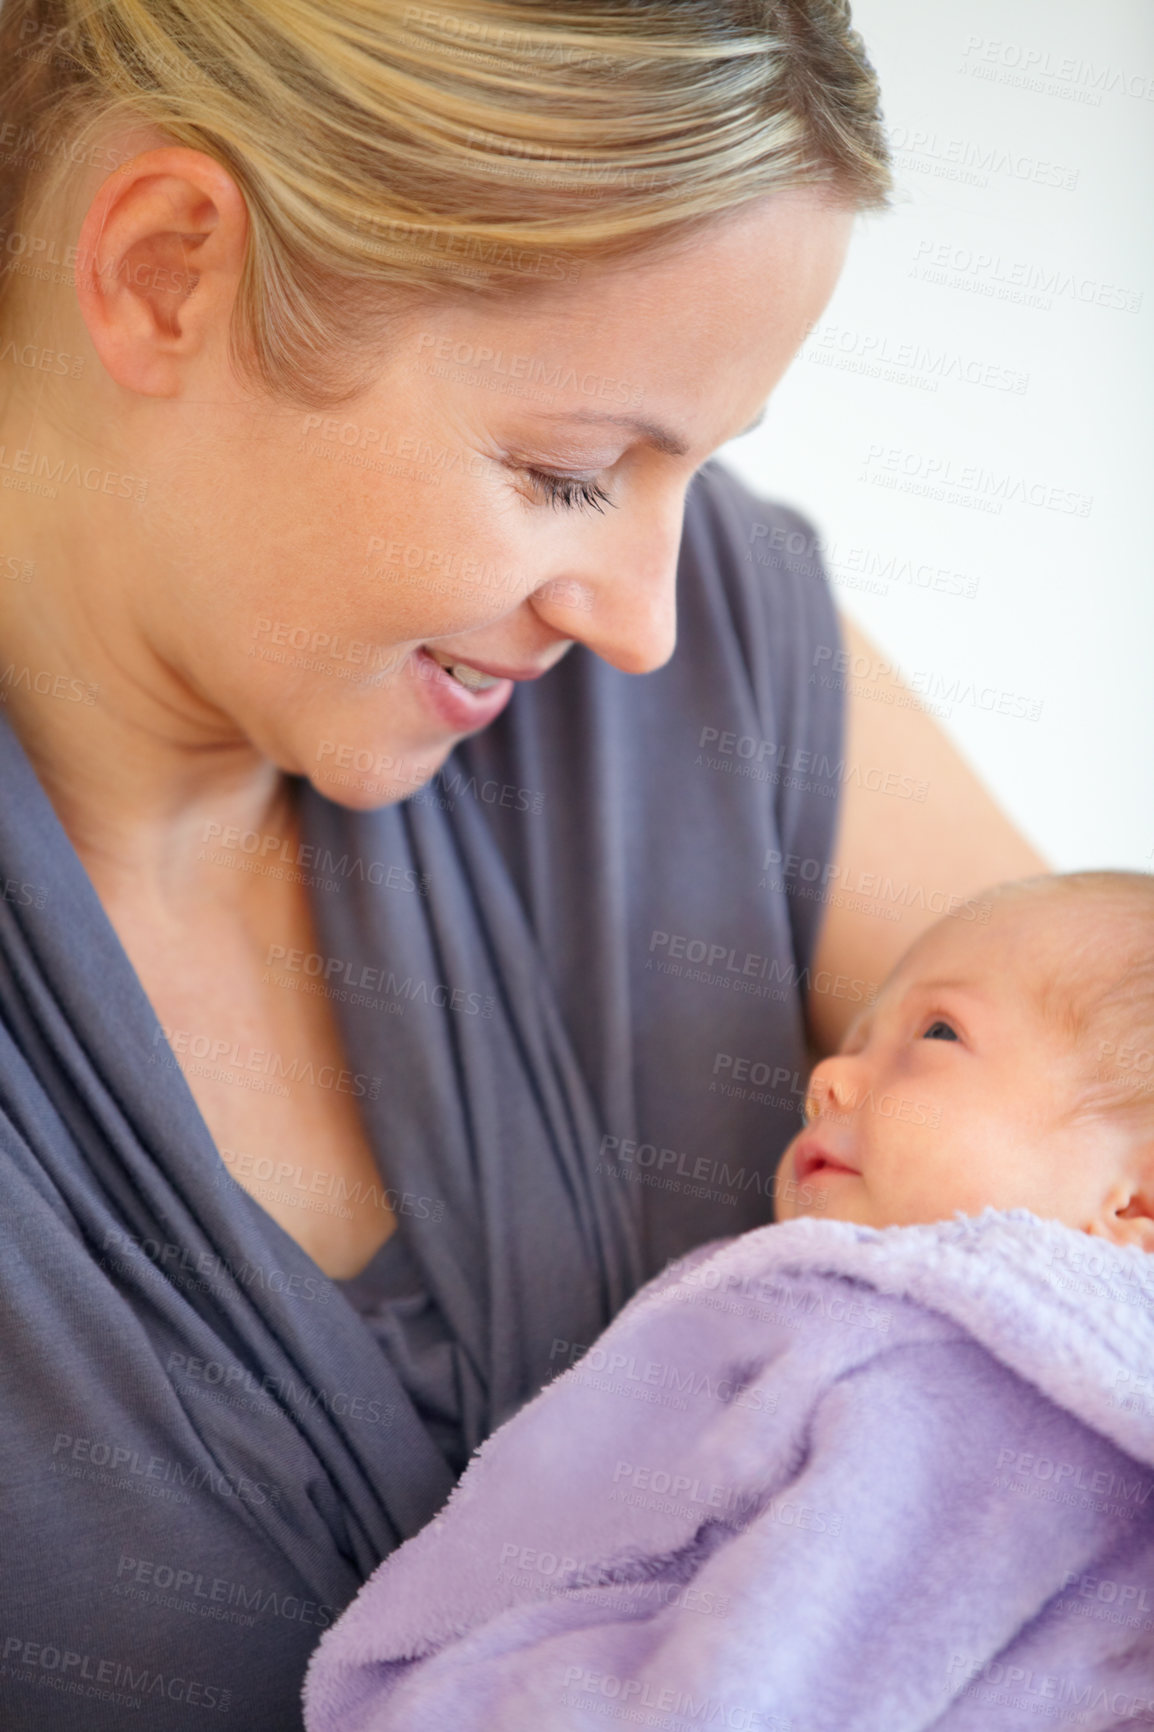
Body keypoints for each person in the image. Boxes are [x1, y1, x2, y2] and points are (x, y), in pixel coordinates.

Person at [0, 2, 1043, 1727]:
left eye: (689, 477)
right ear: (167, 270)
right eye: (564, 476)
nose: (642, 618)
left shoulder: (709, 666)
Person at [303, 871, 1154, 1732]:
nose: (829, 1075)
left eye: (936, 1031)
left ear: (1135, 1203)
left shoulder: (989, 1379)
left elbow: (793, 1669)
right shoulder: (886, 1316)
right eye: (855, 1037)